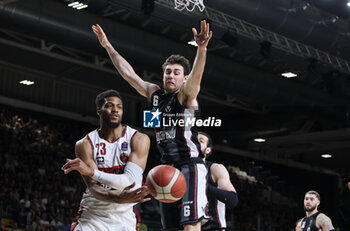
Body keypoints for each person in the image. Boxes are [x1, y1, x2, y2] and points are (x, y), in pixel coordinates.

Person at [92, 20, 212, 231]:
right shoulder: (155, 95)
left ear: (184, 79)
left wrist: (201, 50)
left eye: (176, 72)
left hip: (189, 166)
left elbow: (197, 78)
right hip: (167, 168)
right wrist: (107, 46)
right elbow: (129, 74)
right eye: (168, 72)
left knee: (191, 225)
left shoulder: (185, 97)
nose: (171, 75)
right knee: (171, 228)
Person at [61, 89, 150, 231]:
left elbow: (129, 182)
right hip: (93, 216)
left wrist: (92, 172)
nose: (115, 110)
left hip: (124, 219)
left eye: (119, 107)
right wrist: (119, 197)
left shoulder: (139, 139)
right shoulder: (85, 144)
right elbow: (94, 187)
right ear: (99, 111)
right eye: (110, 106)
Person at [198, 132, 238, 231]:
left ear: (208, 150)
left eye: (200, 141)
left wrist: (204, 186)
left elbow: (232, 200)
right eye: (193, 139)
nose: (195, 142)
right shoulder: (179, 170)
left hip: (213, 227)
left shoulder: (215, 168)